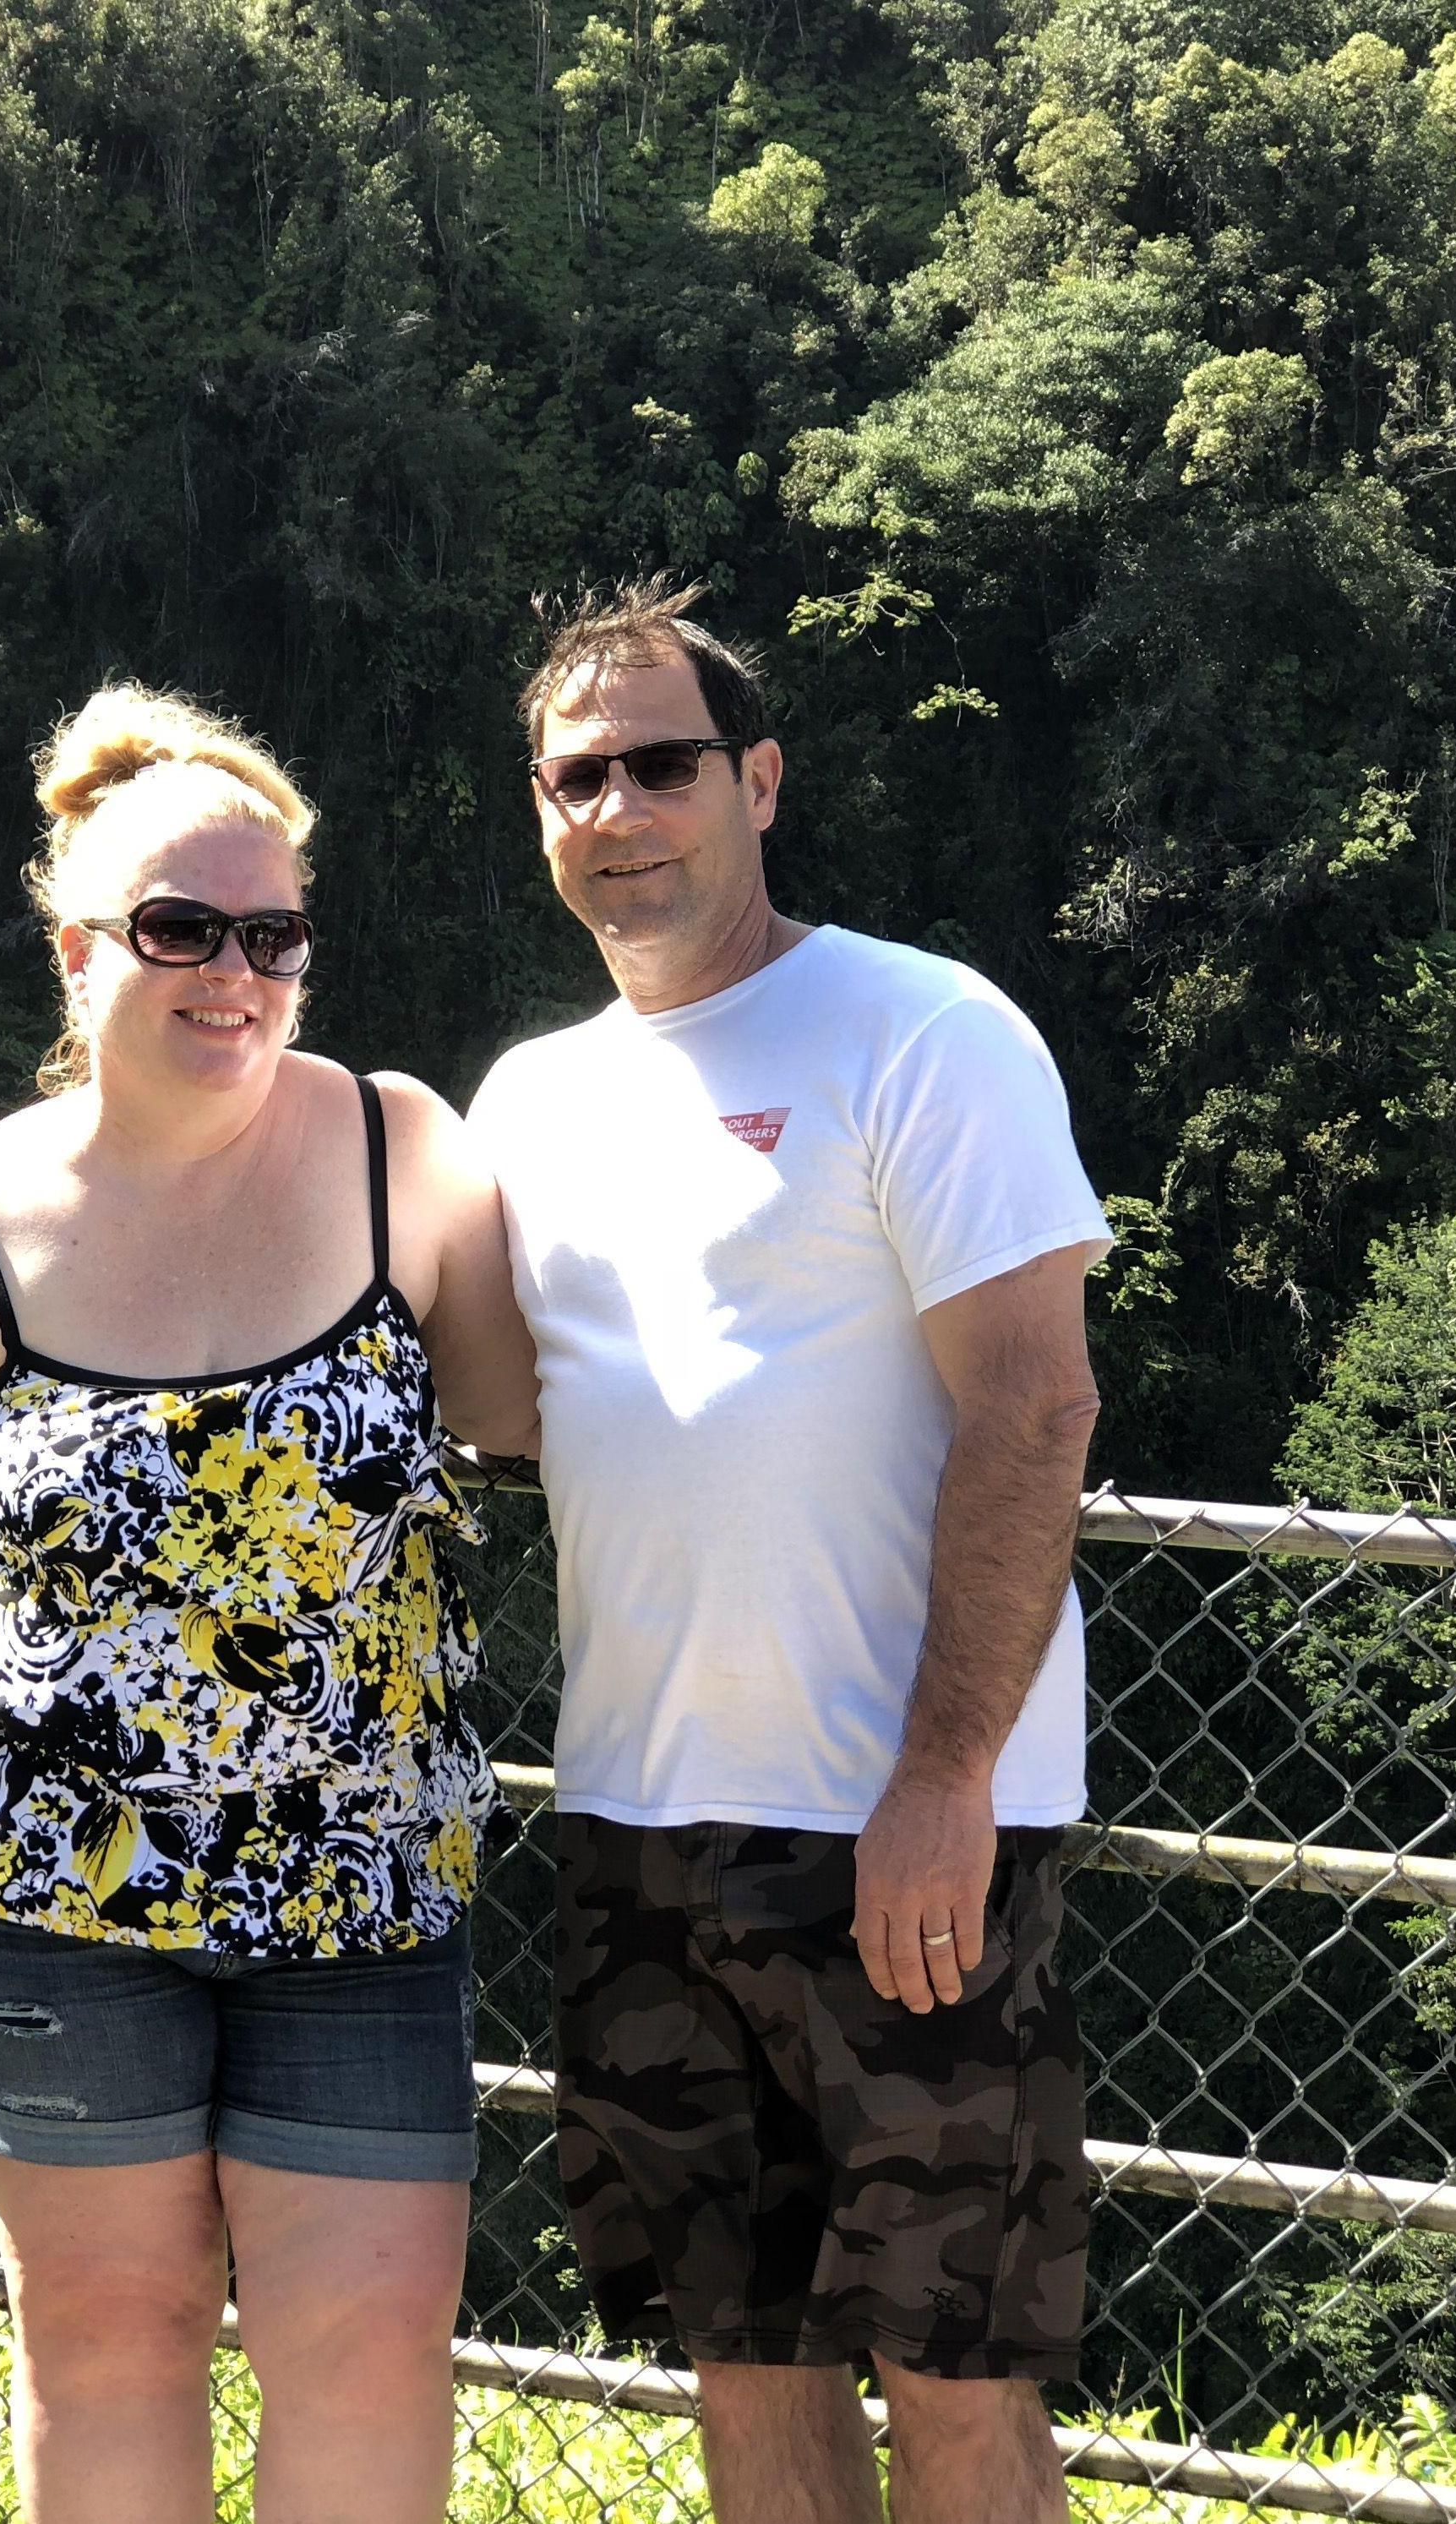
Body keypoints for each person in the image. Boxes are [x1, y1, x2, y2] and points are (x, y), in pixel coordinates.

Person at [0, 684, 540, 2524]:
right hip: (51, 1898)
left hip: (364, 1889)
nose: (233, 973)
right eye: (178, 931)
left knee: (376, 2341)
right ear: (78, 949)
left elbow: (531, 1414)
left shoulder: (407, 1154)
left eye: (273, 936)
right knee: (115, 2339)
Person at [469, 580, 1110, 2524]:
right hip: (638, 1819)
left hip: (898, 1829)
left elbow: (1034, 1407)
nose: (621, 809)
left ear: (757, 779)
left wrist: (944, 1782)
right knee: (739, 2360)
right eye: (578, 776)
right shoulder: (530, 1101)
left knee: (958, 2368)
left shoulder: (920, 1027)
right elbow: (488, 1407)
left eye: (664, 763)